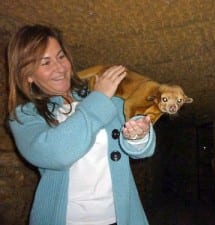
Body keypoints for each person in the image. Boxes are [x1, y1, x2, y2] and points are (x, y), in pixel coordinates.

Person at [7, 24, 156, 225]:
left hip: (119, 218)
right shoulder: (25, 117)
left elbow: (138, 148)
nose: (59, 67)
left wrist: (139, 135)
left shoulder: (105, 96)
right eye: (46, 62)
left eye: (61, 56)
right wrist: (99, 98)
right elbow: (57, 153)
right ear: (28, 75)